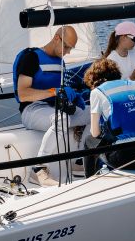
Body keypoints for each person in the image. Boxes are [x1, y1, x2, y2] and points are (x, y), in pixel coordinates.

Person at [13, 26, 90, 186]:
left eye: (71, 48)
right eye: (66, 46)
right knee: (61, 119)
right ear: (56, 38)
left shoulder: (60, 63)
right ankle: (38, 170)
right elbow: (23, 94)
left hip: (52, 108)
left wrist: (74, 98)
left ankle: (79, 162)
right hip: (31, 110)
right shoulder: (31, 58)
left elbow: (59, 93)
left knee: (93, 112)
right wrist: (54, 91)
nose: (68, 52)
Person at [83, 57, 135, 177]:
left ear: (93, 78)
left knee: (89, 141)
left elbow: (95, 133)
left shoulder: (97, 92)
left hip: (126, 159)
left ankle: (89, 180)